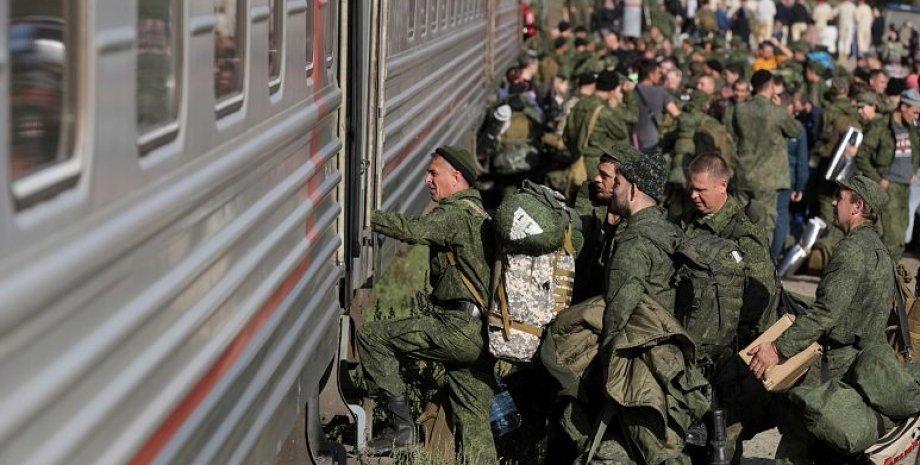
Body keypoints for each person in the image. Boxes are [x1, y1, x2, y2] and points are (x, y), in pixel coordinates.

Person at [356, 146, 497, 463]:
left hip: (457, 330)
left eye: (434, 173)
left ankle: (402, 430)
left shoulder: (455, 215)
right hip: (482, 334)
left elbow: (413, 230)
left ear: (456, 177)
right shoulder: (480, 215)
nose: (427, 180)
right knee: (475, 428)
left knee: (373, 336)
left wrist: (364, 215)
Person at [748, 175, 894, 465]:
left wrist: (777, 349)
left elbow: (826, 312)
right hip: (862, 358)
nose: (833, 201)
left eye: (840, 197)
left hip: (834, 365)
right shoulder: (879, 249)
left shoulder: (851, 250)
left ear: (857, 206)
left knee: (797, 443)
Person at [731, 69, 802, 240]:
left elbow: (736, 130)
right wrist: (780, 108)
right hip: (767, 179)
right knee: (764, 228)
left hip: (743, 174)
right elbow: (796, 131)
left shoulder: (740, 109)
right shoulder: (776, 112)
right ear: (770, 87)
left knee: (739, 222)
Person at [855, 88, 920, 263]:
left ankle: (889, 279)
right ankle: (881, 280)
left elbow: (917, 149)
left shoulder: (912, 128)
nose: (916, 117)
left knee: (900, 238)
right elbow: (862, 156)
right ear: (904, 107)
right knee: (889, 238)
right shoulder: (881, 126)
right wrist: (878, 179)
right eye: (915, 112)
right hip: (887, 189)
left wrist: (913, 169)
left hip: (904, 188)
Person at [633, 59, 681, 154]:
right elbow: (676, 114)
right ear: (651, 74)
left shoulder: (631, 91)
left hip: (633, 141)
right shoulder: (660, 92)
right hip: (652, 142)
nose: (660, 76)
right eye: (658, 73)